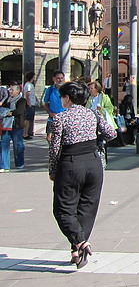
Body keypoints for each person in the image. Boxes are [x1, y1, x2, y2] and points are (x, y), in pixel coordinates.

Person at [49, 81, 117, 268]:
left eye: (62, 96)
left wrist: (53, 171)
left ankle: (80, 242)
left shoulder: (60, 118)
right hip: (93, 163)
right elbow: (112, 133)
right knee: (87, 207)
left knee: (63, 209)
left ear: (68, 98)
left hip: (71, 164)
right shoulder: (93, 114)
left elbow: (55, 149)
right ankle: (77, 251)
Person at [0, 84, 26, 172]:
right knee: (4, 144)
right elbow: (2, 109)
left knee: (18, 145)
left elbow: (19, 111)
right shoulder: (7, 100)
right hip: (6, 125)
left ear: (18, 91)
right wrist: (6, 112)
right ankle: (4, 166)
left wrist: (9, 113)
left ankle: (19, 163)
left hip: (17, 125)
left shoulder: (22, 100)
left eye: (12, 90)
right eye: (10, 90)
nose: (10, 91)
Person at [43, 71, 66, 143]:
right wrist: (50, 113)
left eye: (62, 78)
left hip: (65, 117)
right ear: (54, 79)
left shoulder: (67, 89)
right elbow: (46, 103)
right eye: (58, 78)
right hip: (53, 118)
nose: (60, 80)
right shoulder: (49, 90)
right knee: (49, 138)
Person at [23, 71, 37, 139]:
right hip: (30, 104)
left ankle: (29, 132)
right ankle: (25, 134)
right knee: (28, 119)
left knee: (30, 119)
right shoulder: (28, 85)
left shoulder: (30, 85)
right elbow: (27, 94)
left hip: (32, 103)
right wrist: (29, 103)